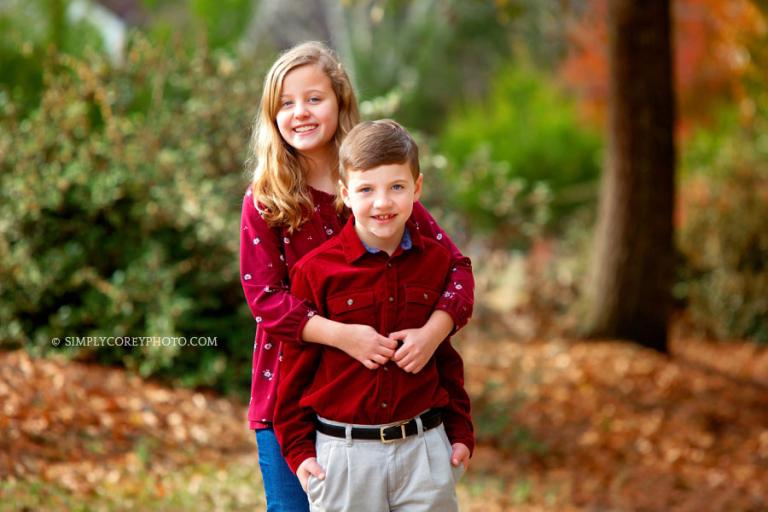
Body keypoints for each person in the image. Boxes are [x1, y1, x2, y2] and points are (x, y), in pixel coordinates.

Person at [240, 42, 474, 511]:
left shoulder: (377, 188)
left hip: (383, 401)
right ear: (272, 115)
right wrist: (345, 337)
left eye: (313, 98)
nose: (300, 112)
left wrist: (433, 331)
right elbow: (265, 298)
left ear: (340, 102)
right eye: (286, 103)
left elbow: (456, 271)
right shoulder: (267, 199)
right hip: (290, 391)